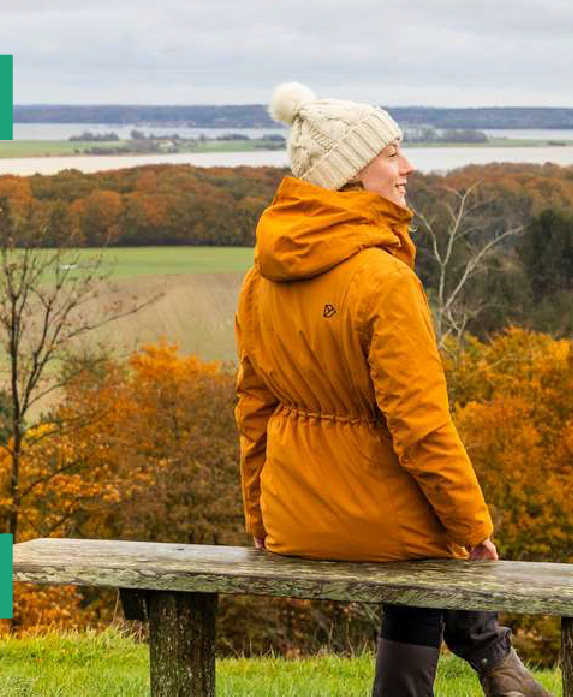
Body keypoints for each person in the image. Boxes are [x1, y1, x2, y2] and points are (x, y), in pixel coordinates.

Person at [235, 81, 551, 697]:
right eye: (391, 153)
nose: (407, 167)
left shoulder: (257, 280)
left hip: (295, 518)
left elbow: (254, 408)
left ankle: (492, 661)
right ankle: (491, 657)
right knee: (431, 535)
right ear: (351, 173)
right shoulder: (383, 279)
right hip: (381, 525)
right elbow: (421, 424)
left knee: (417, 529)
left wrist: (259, 516)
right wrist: (472, 526)